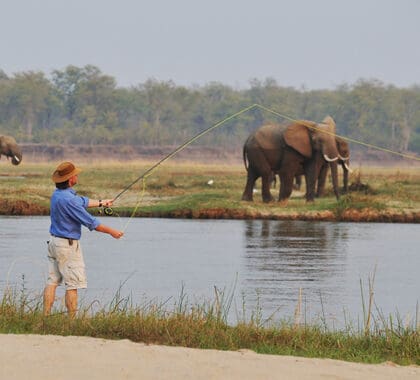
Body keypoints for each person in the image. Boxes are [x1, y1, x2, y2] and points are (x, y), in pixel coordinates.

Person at [43, 161, 124, 318]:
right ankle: (72, 322)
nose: (77, 176)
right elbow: (92, 223)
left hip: (53, 242)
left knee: (52, 281)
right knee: (72, 284)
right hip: (67, 246)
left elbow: (83, 201)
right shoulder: (70, 200)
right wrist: (113, 232)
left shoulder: (58, 195)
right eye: (75, 174)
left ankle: (45, 317)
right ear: (71, 179)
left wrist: (102, 202)